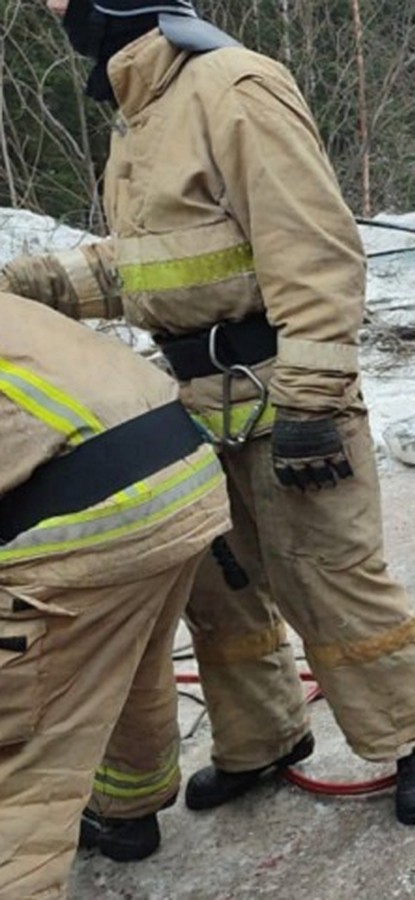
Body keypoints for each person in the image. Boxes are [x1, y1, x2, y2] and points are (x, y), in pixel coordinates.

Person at [7, 0, 415, 853]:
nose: (57, 15)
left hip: (283, 387)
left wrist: (314, 404)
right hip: (196, 398)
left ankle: (411, 732)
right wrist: (25, 284)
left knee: (326, 574)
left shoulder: (232, 87)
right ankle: (264, 740)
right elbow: (153, 267)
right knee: (223, 593)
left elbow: (313, 246)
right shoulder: (142, 117)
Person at [0, 293, 231, 897]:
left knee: (22, 762)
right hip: (184, 477)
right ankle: (127, 812)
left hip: (82, 519)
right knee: (127, 662)